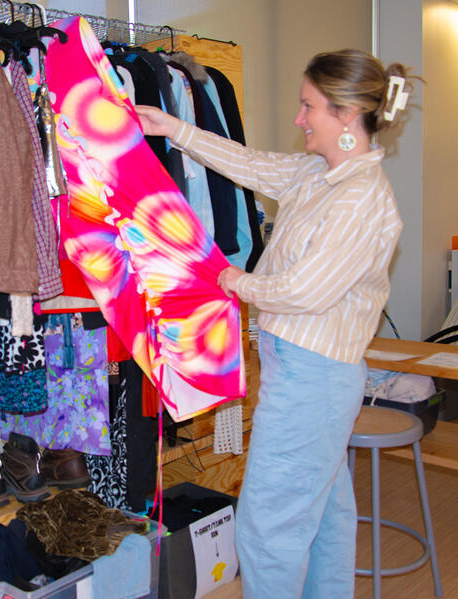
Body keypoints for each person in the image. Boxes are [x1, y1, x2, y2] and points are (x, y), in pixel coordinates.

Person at [136, 49, 414, 598]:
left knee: (268, 530)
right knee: (324, 520)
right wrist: (174, 128)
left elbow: (303, 292)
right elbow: (252, 164)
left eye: (308, 106)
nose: (299, 118)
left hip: (314, 382)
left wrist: (233, 282)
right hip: (308, 375)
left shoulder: (362, 200)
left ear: (345, 114)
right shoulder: (321, 173)